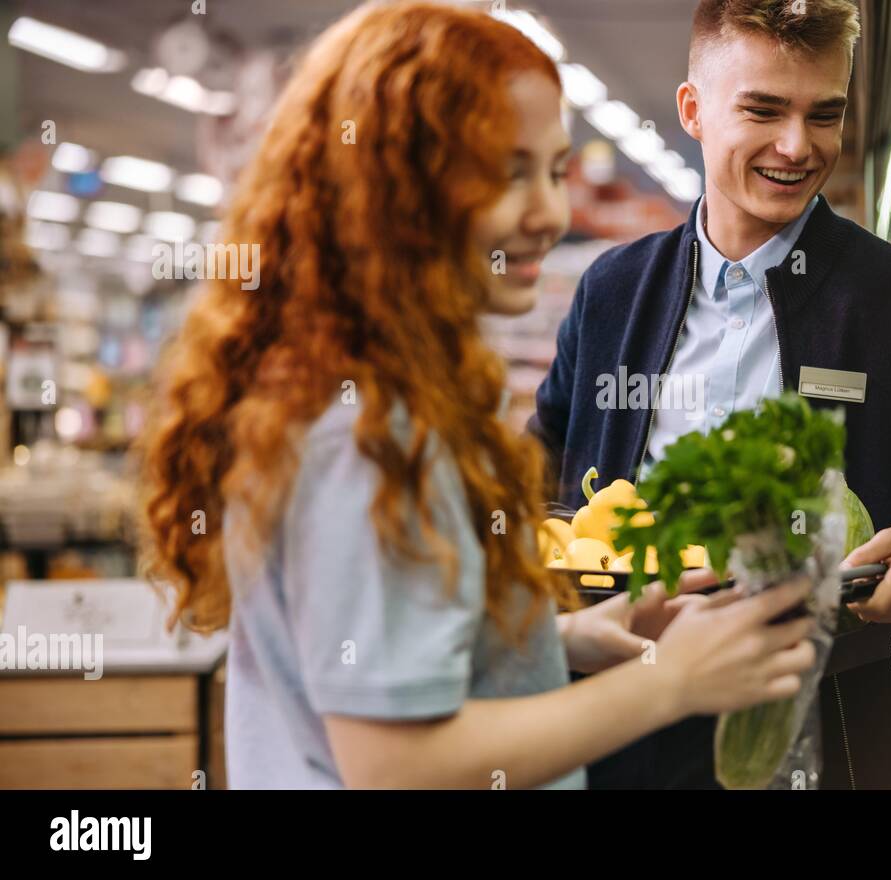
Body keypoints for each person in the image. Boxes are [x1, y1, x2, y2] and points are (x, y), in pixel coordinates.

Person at [135, 1, 815, 790]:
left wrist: (550, 645)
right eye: (505, 173)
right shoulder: (364, 435)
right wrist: (670, 682)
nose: (551, 214)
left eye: (554, 170)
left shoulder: (363, 397)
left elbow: (392, 680)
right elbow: (396, 763)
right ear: (400, 187)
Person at [529, 0, 891, 789]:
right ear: (694, 110)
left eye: (825, 115)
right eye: (763, 110)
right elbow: (539, 480)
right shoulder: (614, 291)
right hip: (639, 718)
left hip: (845, 730)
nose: (797, 147)